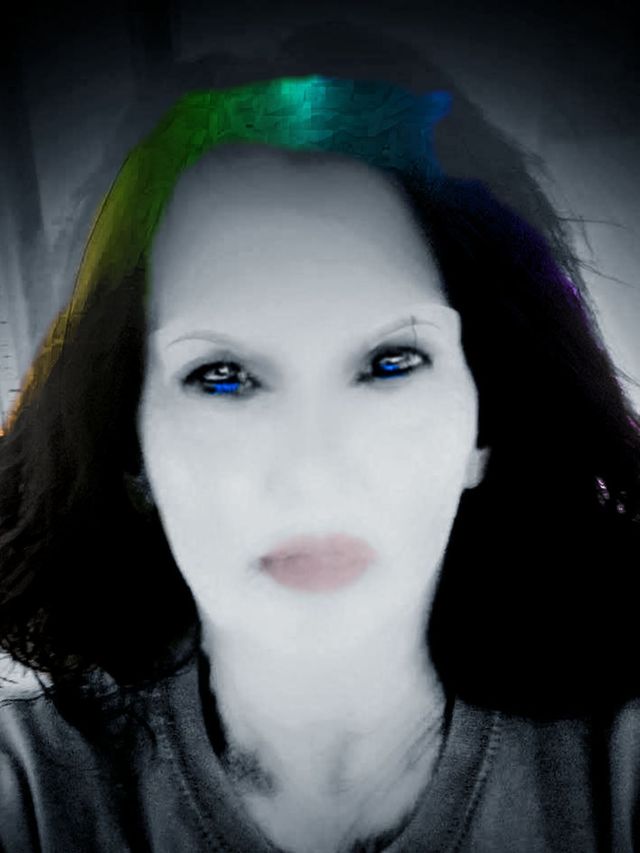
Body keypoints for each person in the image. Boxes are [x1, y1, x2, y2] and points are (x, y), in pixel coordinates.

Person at [1, 74, 639, 853]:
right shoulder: (25, 799)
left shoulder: (622, 772)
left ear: (486, 423)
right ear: (129, 446)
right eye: (222, 376)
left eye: (391, 361)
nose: (313, 472)